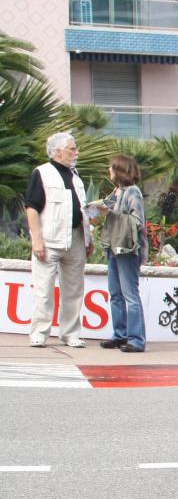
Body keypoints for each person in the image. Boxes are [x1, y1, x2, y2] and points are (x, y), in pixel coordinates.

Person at [25, 132, 93, 348]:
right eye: (72, 149)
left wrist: (88, 239)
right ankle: (39, 333)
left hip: (75, 240)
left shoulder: (76, 176)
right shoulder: (42, 173)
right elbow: (32, 208)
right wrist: (36, 239)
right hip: (49, 240)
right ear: (57, 151)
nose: (76, 152)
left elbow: (83, 209)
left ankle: (70, 333)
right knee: (43, 289)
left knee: (74, 290)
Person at [97, 154, 148, 353]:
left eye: (111, 168)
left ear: (119, 170)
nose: (108, 172)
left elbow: (138, 221)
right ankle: (120, 334)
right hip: (113, 246)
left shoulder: (132, 192)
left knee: (130, 295)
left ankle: (136, 339)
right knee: (115, 294)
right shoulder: (116, 191)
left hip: (127, 249)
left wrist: (110, 214)